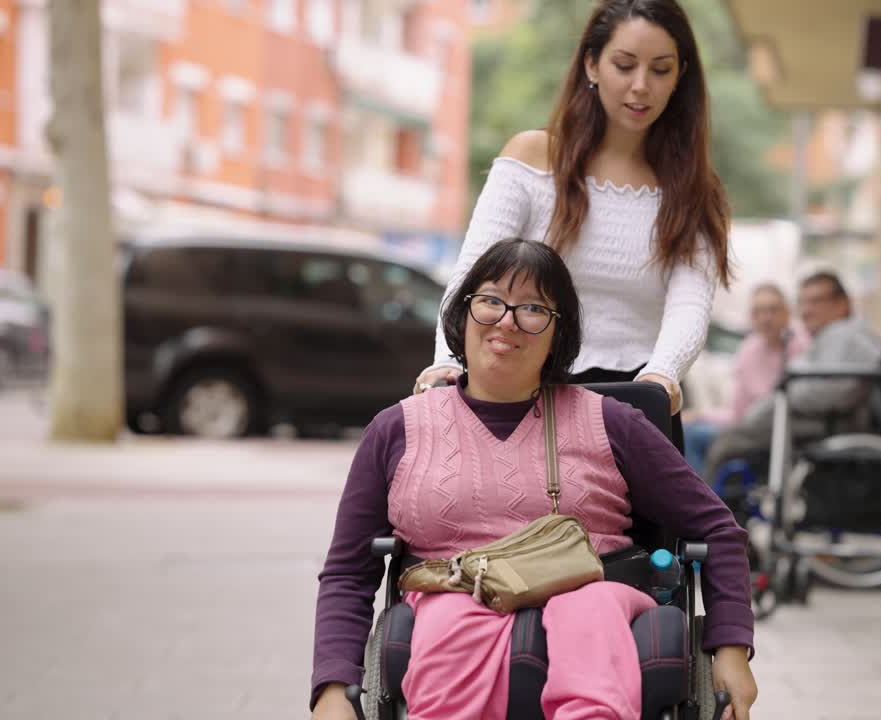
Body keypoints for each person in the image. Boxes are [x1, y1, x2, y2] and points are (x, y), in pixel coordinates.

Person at [311, 239, 758, 720]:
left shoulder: (614, 423)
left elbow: (718, 529)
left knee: (587, 610)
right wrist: (333, 687)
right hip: (451, 599)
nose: (507, 321)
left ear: (557, 335)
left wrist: (731, 648)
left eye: (532, 309)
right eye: (490, 301)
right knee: (450, 620)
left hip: (591, 595)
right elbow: (348, 569)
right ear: (462, 316)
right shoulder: (395, 429)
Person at [412, 0, 732, 451]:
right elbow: (471, 275)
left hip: (636, 407)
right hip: (524, 398)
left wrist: (662, 374)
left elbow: (689, 306)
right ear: (591, 64)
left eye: (660, 70)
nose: (641, 86)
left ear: (681, 76)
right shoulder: (531, 159)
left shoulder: (696, 191)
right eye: (625, 65)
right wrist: (447, 361)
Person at [701, 271, 881, 486]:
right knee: (725, 439)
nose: (807, 310)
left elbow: (840, 390)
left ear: (842, 304)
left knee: (727, 443)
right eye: (803, 302)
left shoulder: (844, 334)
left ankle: (702, 514)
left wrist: (787, 390)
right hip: (813, 421)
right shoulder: (829, 336)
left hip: (830, 425)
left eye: (816, 301)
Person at [682, 283, 809, 475]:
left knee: (695, 437)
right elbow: (738, 412)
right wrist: (700, 415)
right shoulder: (748, 351)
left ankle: (706, 499)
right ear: (751, 318)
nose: (766, 318)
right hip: (749, 426)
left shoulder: (801, 342)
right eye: (758, 312)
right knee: (688, 430)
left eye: (773, 310)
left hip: (783, 429)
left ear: (787, 312)